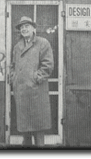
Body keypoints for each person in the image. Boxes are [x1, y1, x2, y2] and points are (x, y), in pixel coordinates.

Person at [10, 16, 54, 147]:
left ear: (33, 28)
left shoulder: (43, 43)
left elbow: (48, 65)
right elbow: (13, 65)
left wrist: (36, 78)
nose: (24, 29)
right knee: (25, 129)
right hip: (22, 92)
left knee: (38, 127)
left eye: (26, 26)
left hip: (36, 92)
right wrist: (14, 78)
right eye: (21, 27)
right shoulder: (18, 46)